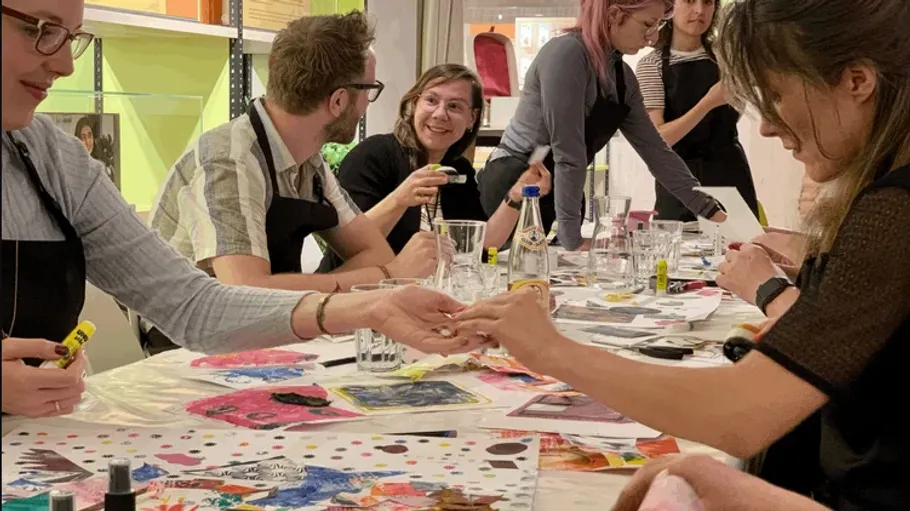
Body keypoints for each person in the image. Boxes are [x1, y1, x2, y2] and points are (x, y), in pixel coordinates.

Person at [456, 0, 910, 508]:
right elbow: (568, 154)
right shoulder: (571, 57)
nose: (764, 127)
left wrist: (550, 349)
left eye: (776, 94)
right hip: (527, 188)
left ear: (856, 81)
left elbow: (741, 414)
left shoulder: (893, 213)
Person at [1, 0, 484, 419]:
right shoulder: (228, 159)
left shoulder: (55, 161)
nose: (64, 64)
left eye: (71, 37)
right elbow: (243, 289)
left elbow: (196, 305)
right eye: (41, 30)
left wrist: (374, 303)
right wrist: (369, 283)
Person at [150, 12, 432, 295]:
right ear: (338, 100)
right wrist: (386, 275)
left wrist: (373, 275)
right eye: (370, 89)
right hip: (183, 336)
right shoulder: (229, 160)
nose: (366, 106)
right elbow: (246, 293)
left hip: (262, 328)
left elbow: (376, 253)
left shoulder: (309, 160)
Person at [475, 0, 725, 251]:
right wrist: (572, 240)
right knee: (496, 270)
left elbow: (658, 153)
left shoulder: (623, 78)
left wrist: (716, 215)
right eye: (648, 24)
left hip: (554, 187)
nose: (652, 37)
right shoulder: (566, 54)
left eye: (658, 25)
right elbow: (568, 152)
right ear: (615, 15)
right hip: (512, 182)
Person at [318, 64, 551, 272]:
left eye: (454, 106)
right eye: (431, 101)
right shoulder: (374, 155)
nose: (440, 114)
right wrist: (400, 198)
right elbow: (349, 249)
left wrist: (516, 196)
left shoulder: (457, 168)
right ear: (413, 104)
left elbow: (481, 242)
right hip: (356, 296)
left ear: (472, 118)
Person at [635, 0, 758, 221]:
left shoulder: (728, 58)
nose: (700, 10)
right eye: (690, 1)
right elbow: (660, 139)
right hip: (678, 179)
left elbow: (736, 112)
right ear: (669, 7)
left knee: (739, 248)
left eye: (708, 2)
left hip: (729, 172)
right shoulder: (651, 65)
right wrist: (708, 103)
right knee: (673, 249)